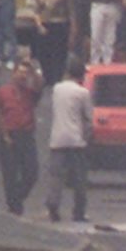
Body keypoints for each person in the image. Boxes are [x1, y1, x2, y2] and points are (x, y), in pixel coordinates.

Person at [46, 56, 92, 223]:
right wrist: (85, 138)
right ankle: (78, 212)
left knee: (56, 177)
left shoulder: (57, 89)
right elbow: (88, 120)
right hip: (76, 141)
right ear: (82, 75)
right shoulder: (83, 93)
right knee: (79, 179)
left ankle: (53, 206)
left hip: (57, 139)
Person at [0, 59, 44, 216]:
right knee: (9, 174)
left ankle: (16, 199)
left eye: (25, 73)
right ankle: (14, 207)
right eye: (20, 72)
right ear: (14, 73)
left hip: (26, 135)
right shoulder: (3, 91)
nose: (23, 76)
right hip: (9, 135)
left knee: (31, 172)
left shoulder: (30, 92)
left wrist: (33, 69)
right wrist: (3, 134)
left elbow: (40, 84)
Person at [32, 0, 74, 87]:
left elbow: (71, 12)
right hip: (45, 25)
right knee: (44, 53)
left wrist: (72, 30)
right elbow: (36, 12)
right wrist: (39, 25)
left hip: (60, 25)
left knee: (59, 53)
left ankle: (57, 77)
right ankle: (47, 77)